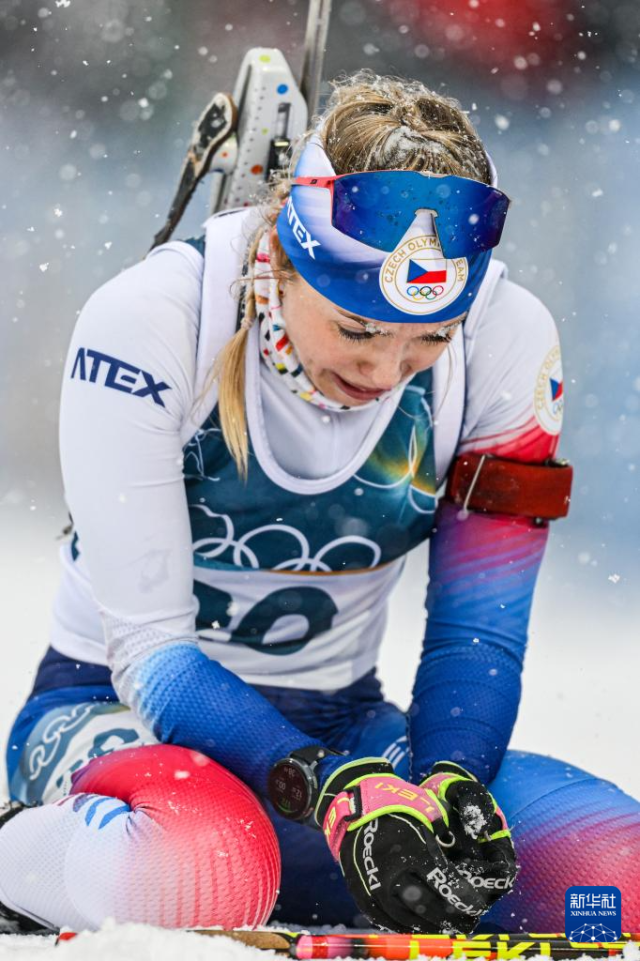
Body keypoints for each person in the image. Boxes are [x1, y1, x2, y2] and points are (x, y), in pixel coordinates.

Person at [1, 71, 638, 935]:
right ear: (285, 262)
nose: (384, 372)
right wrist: (329, 788)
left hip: (346, 737)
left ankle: (273, 873)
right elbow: (151, 655)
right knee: (208, 871)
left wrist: (449, 781)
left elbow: (476, 636)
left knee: (613, 875)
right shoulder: (155, 318)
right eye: (357, 327)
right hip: (123, 723)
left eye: (429, 338)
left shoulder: (506, 337)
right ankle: (34, 855)